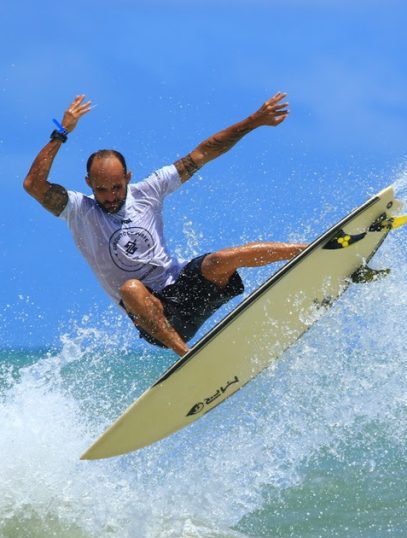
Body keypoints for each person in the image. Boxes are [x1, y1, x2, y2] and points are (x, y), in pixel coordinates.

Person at [23, 92, 306, 356]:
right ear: (88, 184)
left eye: (116, 188)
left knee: (223, 259)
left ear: (129, 178)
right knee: (130, 288)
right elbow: (33, 185)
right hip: (154, 318)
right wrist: (61, 133)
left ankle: (312, 250)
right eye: (101, 189)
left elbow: (205, 152)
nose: (109, 197)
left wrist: (255, 121)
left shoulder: (149, 191)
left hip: (187, 289)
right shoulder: (79, 210)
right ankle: (187, 357)